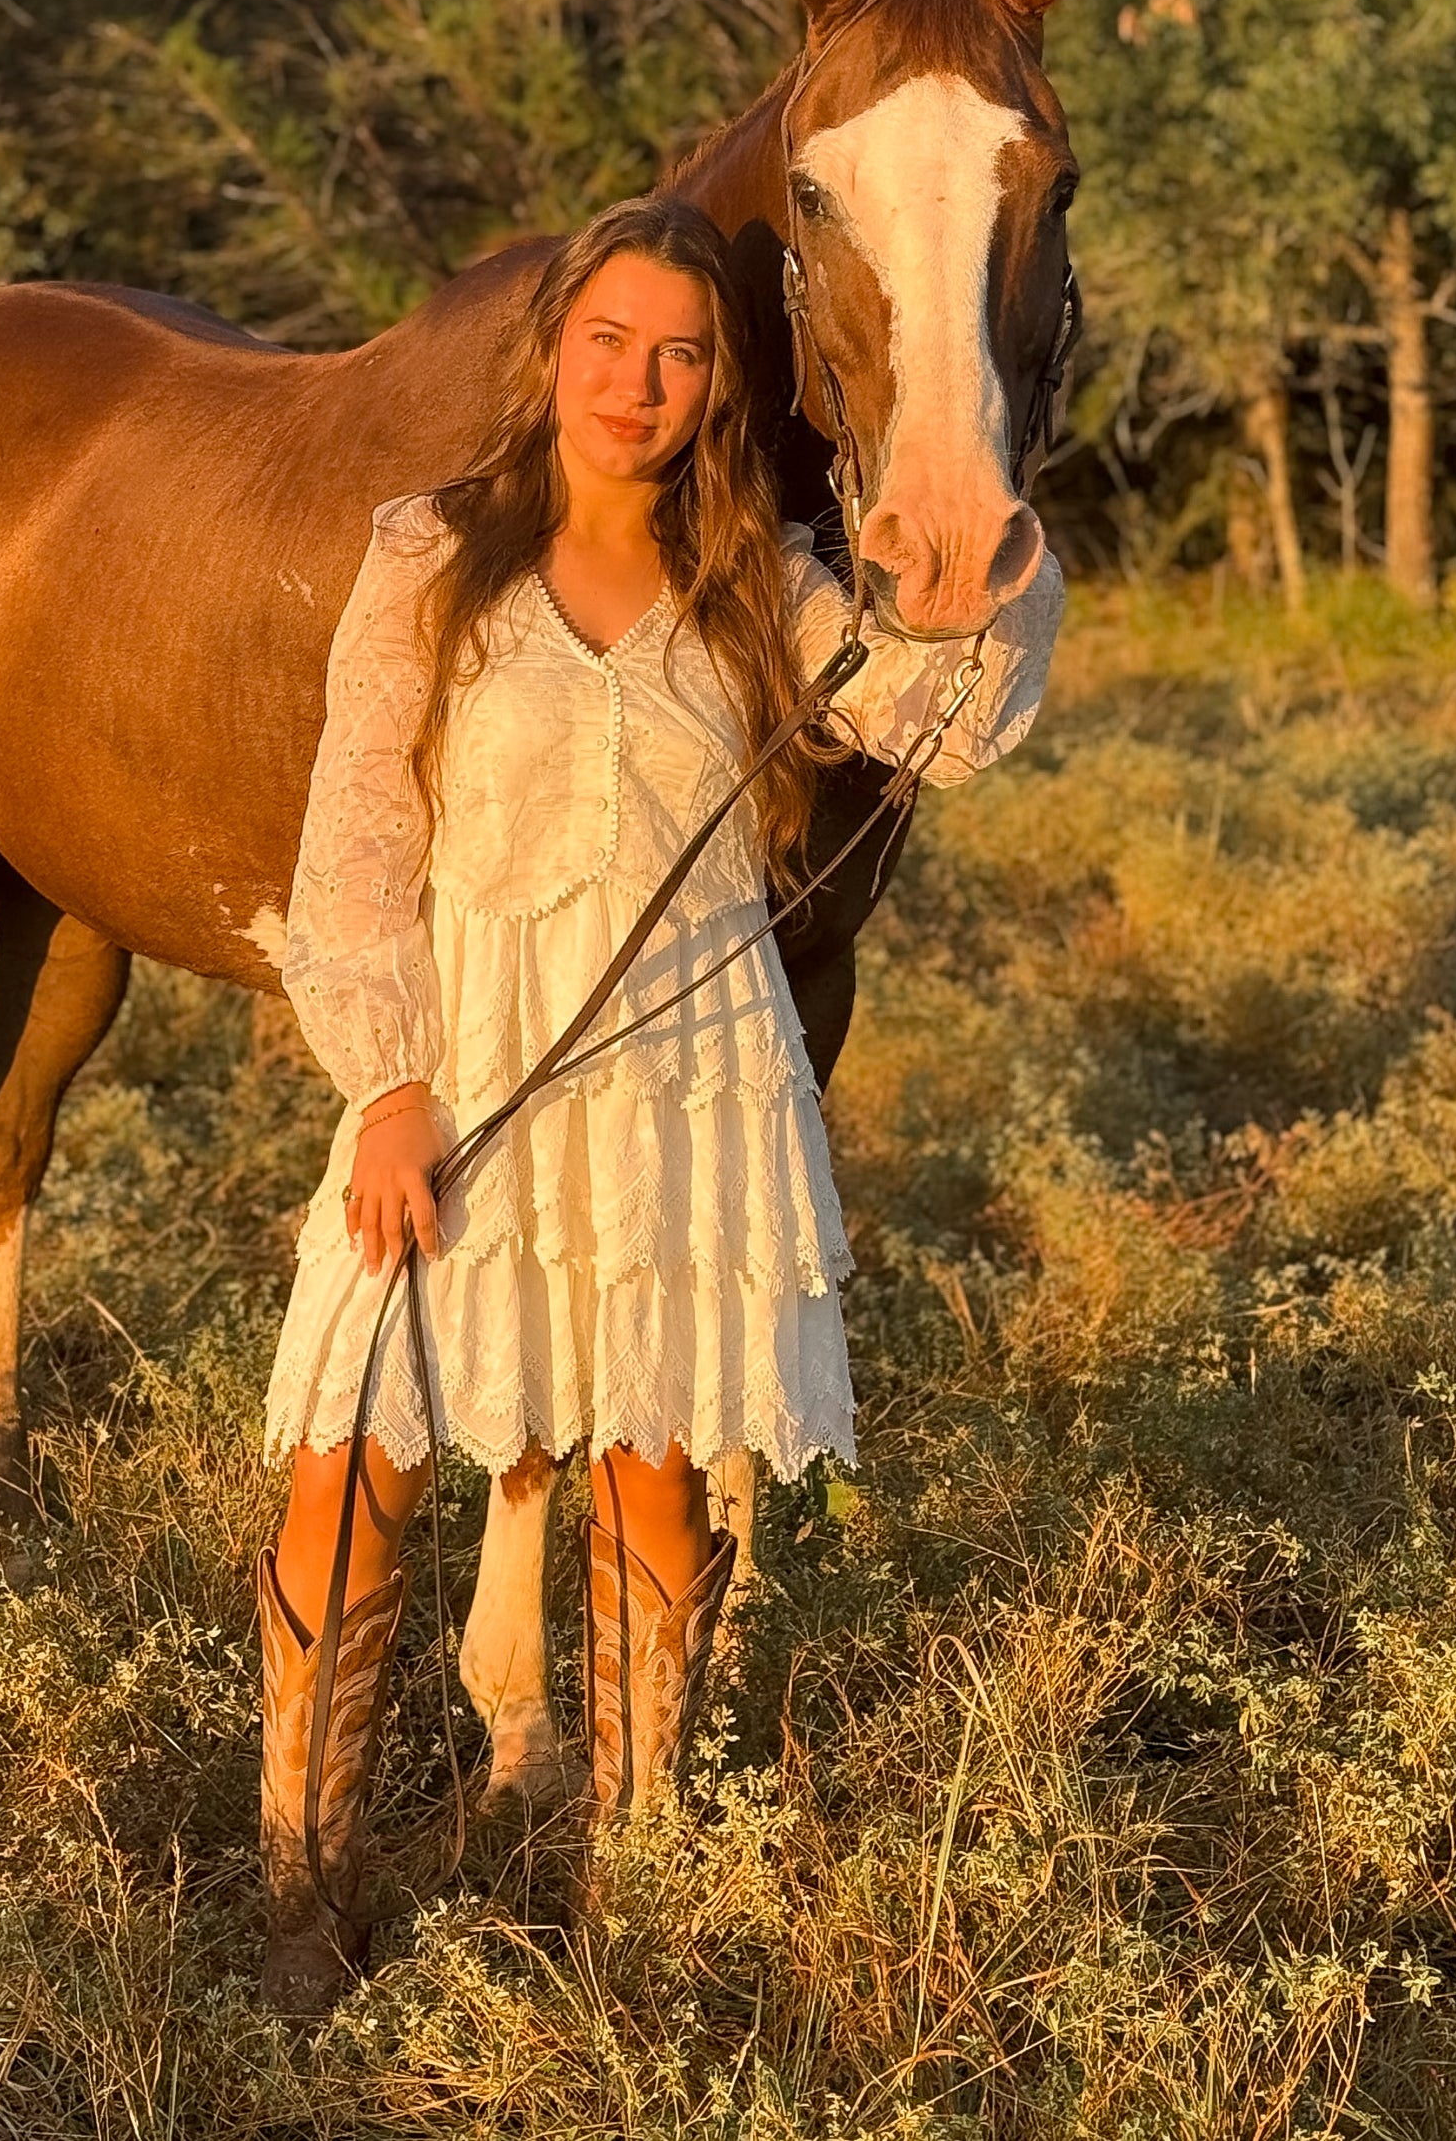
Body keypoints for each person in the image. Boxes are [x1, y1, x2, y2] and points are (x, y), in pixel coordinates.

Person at [255, 192, 1063, 2012]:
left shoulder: (762, 589)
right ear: (552, 352)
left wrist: (988, 500)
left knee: (651, 1465)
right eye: (608, 342)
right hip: (459, 1062)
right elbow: (352, 851)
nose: (637, 383)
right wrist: (383, 1086)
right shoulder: (431, 555)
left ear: (716, 388)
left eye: (678, 355)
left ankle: (640, 1875)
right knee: (351, 1454)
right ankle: (305, 1890)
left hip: (687, 1082)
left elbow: (956, 718)